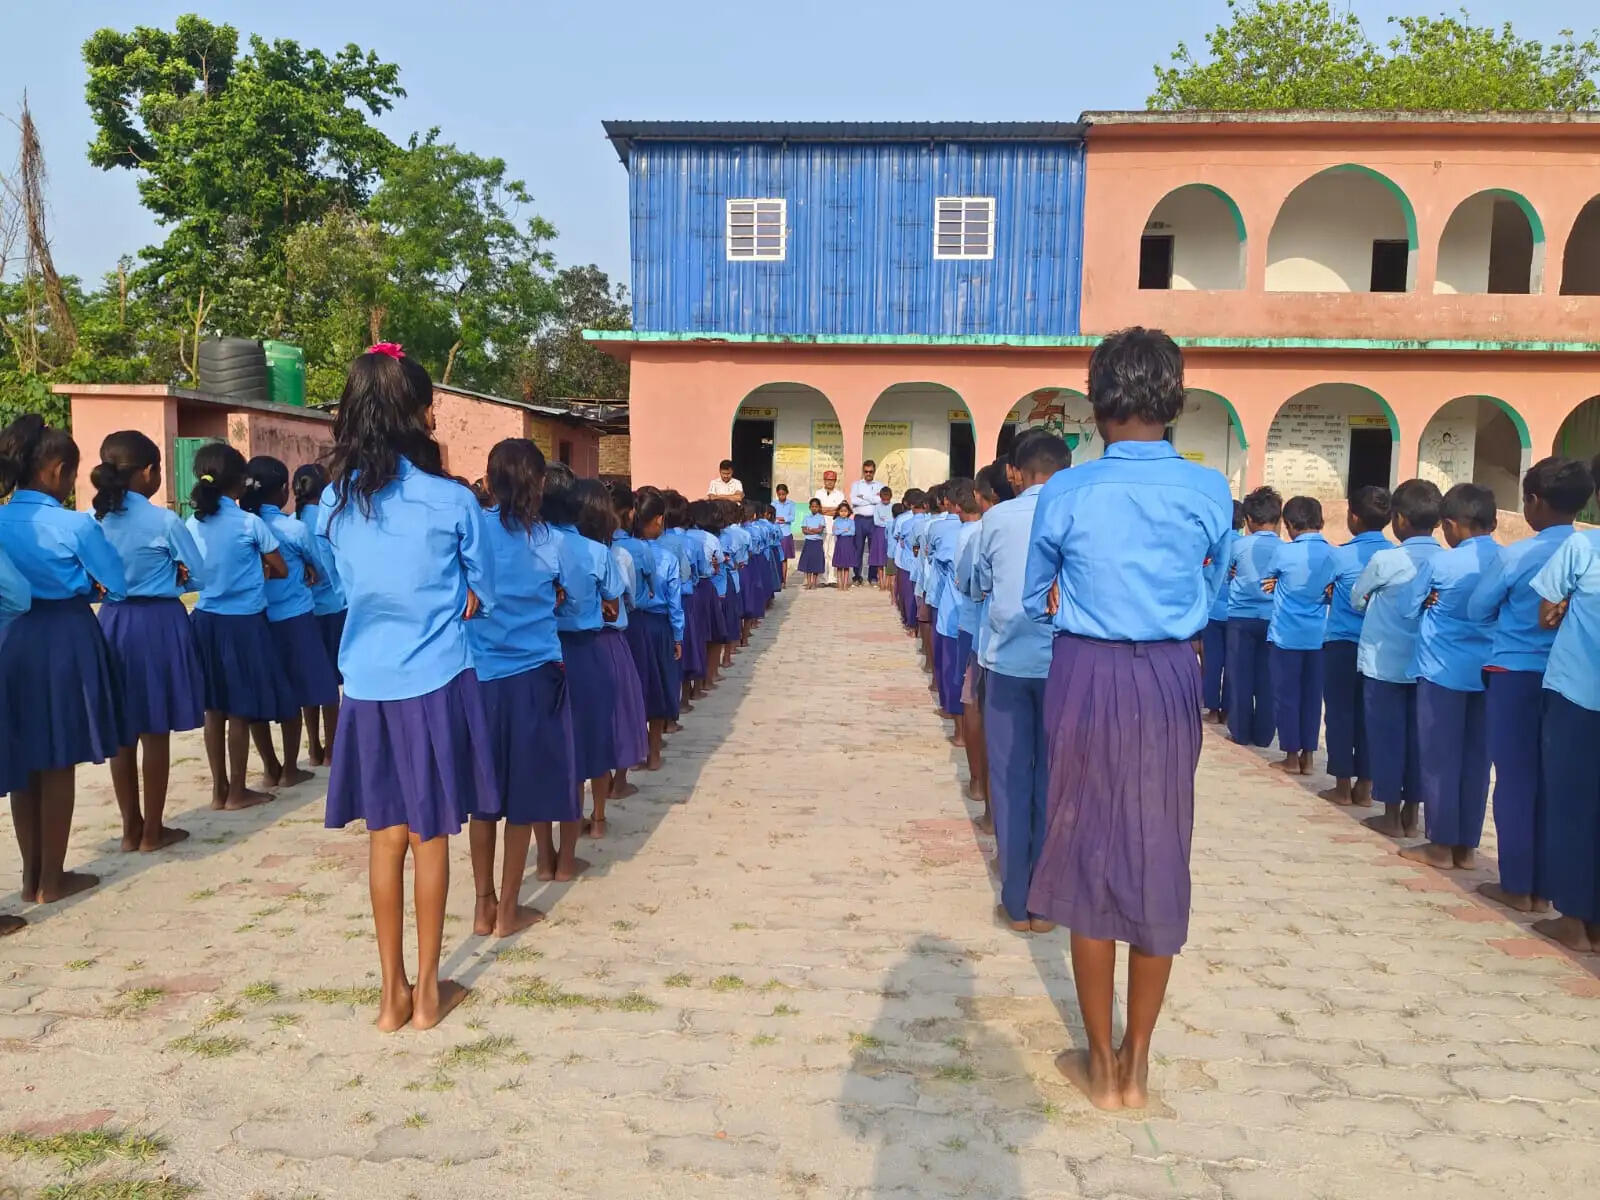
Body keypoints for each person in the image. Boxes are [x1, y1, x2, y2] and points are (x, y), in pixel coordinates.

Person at [1022, 327, 1232, 1112]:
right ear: (1173, 398)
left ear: (1099, 399)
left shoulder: (1067, 491)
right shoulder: (1208, 490)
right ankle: (1138, 1064)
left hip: (1085, 668)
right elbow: (1216, 585)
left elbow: (1035, 591)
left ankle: (1100, 1065)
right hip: (1173, 673)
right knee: (1158, 849)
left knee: (1083, 849)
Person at [317, 344, 497, 1032]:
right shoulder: (451, 500)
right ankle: (428, 993)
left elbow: (340, 587)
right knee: (430, 836)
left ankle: (389, 995)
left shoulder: (334, 500)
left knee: (384, 839)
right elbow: (483, 589)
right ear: (421, 414)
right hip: (437, 679)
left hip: (366, 685)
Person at [0, 416, 126, 918]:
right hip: (63, 635)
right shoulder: (74, 524)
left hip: (11, 638)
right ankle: (53, 878)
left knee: (24, 756)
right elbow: (115, 580)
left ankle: (30, 876)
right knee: (59, 758)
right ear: (56, 471)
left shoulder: (1, 519)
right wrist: (85, 585)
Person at [1467, 457, 1592, 912]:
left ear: (1534, 502)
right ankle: (1552, 887)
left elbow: (1477, 608)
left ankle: (1518, 884)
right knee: (1557, 785)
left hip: (1516, 673)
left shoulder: (1518, 554)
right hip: (1571, 681)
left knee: (1517, 780)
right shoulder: (1586, 550)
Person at [467, 438, 579, 934]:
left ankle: (482, 904)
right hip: (534, 677)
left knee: (484, 798)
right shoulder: (550, 541)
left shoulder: (471, 534)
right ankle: (509, 909)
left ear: (489, 482)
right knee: (522, 797)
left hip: (480, 677)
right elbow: (567, 598)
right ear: (538, 485)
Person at [92, 430, 206, 853]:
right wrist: (175, 579)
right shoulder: (164, 520)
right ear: (147, 472)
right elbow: (199, 575)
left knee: (123, 728)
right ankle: (154, 831)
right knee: (155, 727)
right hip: (158, 621)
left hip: (114, 620)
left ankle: (129, 829)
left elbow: (89, 578)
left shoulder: (95, 519)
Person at [974, 431, 1070, 934]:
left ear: (1017, 472)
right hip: (1064, 666)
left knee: (1010, 781)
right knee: (1052, 783)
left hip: (1008, 663)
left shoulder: (996, 519)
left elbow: (976, 584)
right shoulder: (1079, 515)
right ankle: (1047, 902)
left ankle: (1017, 901)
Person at [185, 443, 296, 811]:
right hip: (243, 622)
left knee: (213, 710)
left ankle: (218, 791)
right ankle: (237, 790)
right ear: (240, 484)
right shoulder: (250, 523)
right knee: (239, 710)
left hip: (204, 618)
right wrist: (257, 572)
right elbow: (280, 569)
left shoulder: (192, 523)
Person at [1400, 483, 1499, 870]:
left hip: (1442, 670)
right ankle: (1467, 848)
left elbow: (1408, 607)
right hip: (1489, 671)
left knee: (1441, 759)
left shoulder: (1442, 563)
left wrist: (1428, 601)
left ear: (1451, 525)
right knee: (1477, 761)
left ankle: (1440, 844)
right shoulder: (1505, 560)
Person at [1528, 464, 1600, 951]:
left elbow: (1546, 614)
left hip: (1578, 694)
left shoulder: (1582, 547)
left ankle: (1573, 919)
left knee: (1572, 807)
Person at [549, 470, 642, 838]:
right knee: (599, 734)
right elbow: (616, 603)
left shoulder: (542, 544)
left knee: (566, 739)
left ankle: (566, 824)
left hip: (553, 649)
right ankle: (599, 817)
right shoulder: (602, 553)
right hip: (595, 645)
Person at [1351, 479, 1445, 838]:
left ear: (1399, 519)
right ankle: (1411, 814)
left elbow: (1356, 599)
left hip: (1385, 662)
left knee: (1387, 738)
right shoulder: (1444, 560)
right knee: (1419, 740)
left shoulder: (1386, 559)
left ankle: (1389, 813)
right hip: (1427, 665)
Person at [241, 455, 341, 789]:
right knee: (315, 686)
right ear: (282, 490)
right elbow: (321, 567)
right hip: (298, 615)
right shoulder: (293, 528)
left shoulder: (245, 525)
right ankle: (301, 763)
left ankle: (273, 765)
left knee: (266, 693)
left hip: (258, 617)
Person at [1320, 486, 1393, 806]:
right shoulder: (1394, 555)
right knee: (1370, 716)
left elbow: (1318, 590)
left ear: (1353, 517)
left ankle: (1341, 783)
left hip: (1342, 643)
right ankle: (1366, 784)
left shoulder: (1340, 554)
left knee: (1339, 712)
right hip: (1379, 646)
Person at [1263, 496, 1335, 776]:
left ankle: (1291, 755)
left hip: (1286, 636)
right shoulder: (1333, 554)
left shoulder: (1284, 553)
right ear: (1321, 522)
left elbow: (1265, 582)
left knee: (1287, 695)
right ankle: (1308, 757)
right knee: (1312, 698)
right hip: (1319, 637)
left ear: (1289, 524)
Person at [291, 463, 346, 766]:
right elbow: (330, 566)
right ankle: (332, 749)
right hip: (332, 606)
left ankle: (313, 747)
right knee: (330, 686)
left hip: (305, 610)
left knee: (311, 682)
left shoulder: (292, 521)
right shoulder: (328, 520)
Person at [1225, 487, 1282, 748]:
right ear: (1278, 520)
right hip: (1273, 618)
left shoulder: (1238, 545)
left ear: (1247, 520)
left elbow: (1226, 575)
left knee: (1240, 677)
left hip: (1240, 617)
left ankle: (1240, 730)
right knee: (1268, 678)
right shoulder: (1284, 549)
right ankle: (1264, 734)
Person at [632, 487, 685, 770]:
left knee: (636, 687)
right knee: (659, 685)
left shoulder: (620, 549)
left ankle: (636, 752)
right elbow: (675, 603)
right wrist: (679, 635)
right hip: (658, 625)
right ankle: (654, 754)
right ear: (658, 520)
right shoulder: (666, 557)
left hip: (629, 626)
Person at [1200, 502, 1242, 724]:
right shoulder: (1246, 546)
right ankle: (1228, 709)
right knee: (1232, 662)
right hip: (1236, 613)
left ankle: (1212, 709)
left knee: (1212, 661)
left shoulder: (1215, 544)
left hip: (1214, 611)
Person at [848, 462, 880, 583]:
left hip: (873, 520)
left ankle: (873, 576)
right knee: (858, 548)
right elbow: (854, 501)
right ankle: (857, 576)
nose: (868, 474)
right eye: (866, 471)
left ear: (874, 472)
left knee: (874, 549)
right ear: (863, 471)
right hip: (859, 519)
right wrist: (871, 499)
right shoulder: (856, 485)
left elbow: (879, 500)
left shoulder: (879, 486)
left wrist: (864, 497)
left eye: (870, 472)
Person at [814, 470, 846, 565]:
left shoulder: (840, 494)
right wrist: (832, 510)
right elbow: (818, 509)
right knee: (822, 553)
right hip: (821, 527)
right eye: (828, 479)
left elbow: (840, 511)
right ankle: (822, 577)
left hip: (834, 527)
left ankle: (832, 577)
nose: (830, 482)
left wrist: (826, 510)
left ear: (835, 481)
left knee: (832, 553)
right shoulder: (818, 493)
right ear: (824, 480)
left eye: (832, 480)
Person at [798, 499, 827, 587]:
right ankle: (809, 582)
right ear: (810, 507)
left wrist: (811, 529)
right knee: (808, 561)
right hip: (808, 542)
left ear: (819, 507)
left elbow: (820, 530)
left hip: (817, 542)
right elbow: (804, 530)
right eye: (812, 506)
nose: (814, 508)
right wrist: (814, 531)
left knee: (816, 562)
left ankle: (814, 582)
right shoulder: (806, 517)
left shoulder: (821, 517)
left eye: (816, 506)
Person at [831, 502, 859, 591]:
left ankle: (845, 585)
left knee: (846, 566)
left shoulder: (851, 522)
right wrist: (844, 530)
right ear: (838, 511)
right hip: (840, 544)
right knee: (839, 566)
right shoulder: (836, 521)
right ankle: (840, 585)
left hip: (848, 544)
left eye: (845, 511)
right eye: (841, 511)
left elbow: (852, 532)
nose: (843, 513)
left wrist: (841, 531)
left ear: (849, 512)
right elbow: (835, 532)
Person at [870, 485, 893, 590]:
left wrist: (885, 521)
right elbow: (876, 521)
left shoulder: (892, 506)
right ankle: (881, 582)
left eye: (887, 498)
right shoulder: (877, 507)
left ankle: (888, 583)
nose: (885, 501)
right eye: (884, 498)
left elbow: (892, 520)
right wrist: (886, 522)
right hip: (879, 533)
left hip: (890, 533)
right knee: (880, 559)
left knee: (888, 558)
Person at [773, 483, 796, 584]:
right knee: (776, 557)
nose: (781, 496)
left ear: (787, 493)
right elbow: (771, 517)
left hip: (786, 533)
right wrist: (778, 520)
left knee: (784, 558)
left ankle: (784, 581)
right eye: (779, 494)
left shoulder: (791, 504)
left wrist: (783, 519)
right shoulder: (773, 504)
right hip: (776, 533)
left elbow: (792, 517)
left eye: (783, 494)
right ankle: (777, 580)